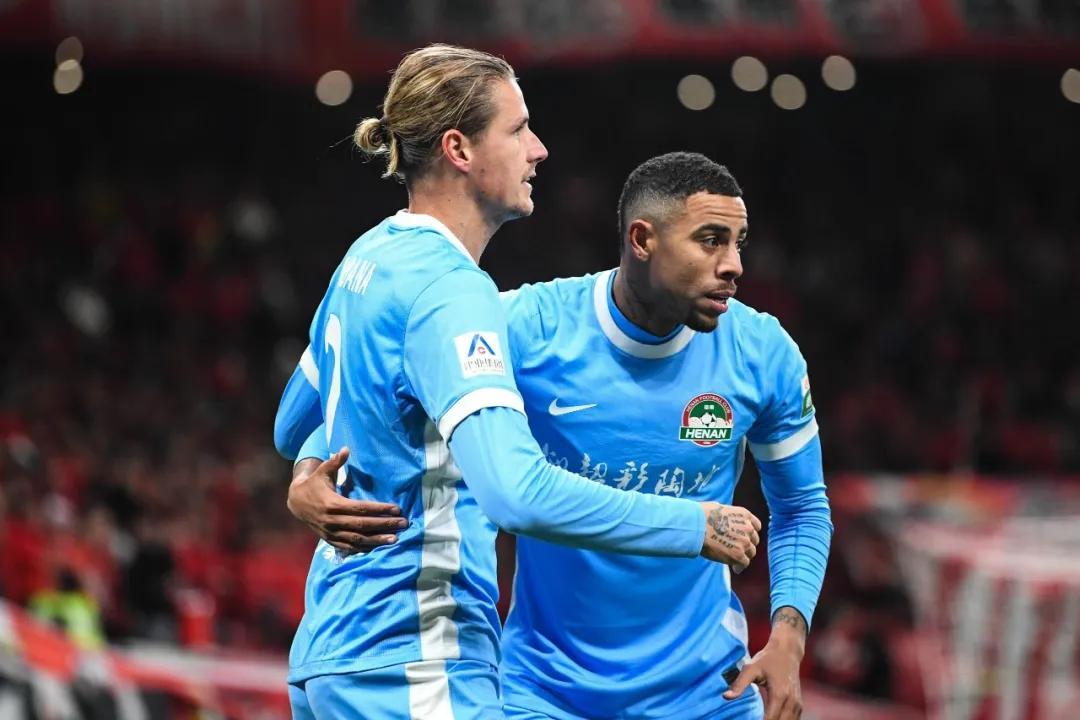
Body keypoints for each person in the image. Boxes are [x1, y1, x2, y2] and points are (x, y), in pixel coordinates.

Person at [275, 46, 760, 720]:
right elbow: (515, 492)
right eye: (518, 129)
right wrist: (691, 523)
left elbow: (294, 422)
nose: (538, 149)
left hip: (332, 651)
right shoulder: (452, 291)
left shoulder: (368, 257)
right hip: (418, 658)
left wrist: (306, 474)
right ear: (459, 150)